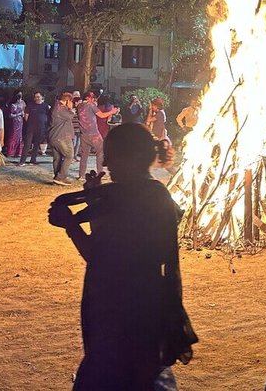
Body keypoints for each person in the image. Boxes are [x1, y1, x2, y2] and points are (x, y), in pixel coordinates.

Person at [48, 123, 197, 389]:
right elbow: (108, 236)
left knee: (113, 372)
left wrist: (71, 225)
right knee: (142, 370)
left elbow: (99, 255)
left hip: (120, 304)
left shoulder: (130, 199)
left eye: (111, 155)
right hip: (148, 301)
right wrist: (96, 201)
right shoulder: (155, 195)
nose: (106, 162)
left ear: (129, 158)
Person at [78, 92, 118, 180]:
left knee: (84, 155)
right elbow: (101, 115)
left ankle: (81, 175)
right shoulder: (90, 105)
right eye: (93, 98)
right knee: (100, 152)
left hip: (84, 133)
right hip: (93, 133)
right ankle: (100, 173)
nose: (94, 100)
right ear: (88, 98)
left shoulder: (80, 106)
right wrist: (112, 111)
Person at [50, 92, 76, 186]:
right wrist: (71, 109)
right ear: (68, 101)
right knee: (69, 156)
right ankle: (61, 178)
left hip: (53, 136)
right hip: (62, 137)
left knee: (57, 158)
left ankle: (57, 178)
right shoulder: (61, 108)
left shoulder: (56, 106)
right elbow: (70, 116)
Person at [19, 92, 50, 166]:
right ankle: (22, 161)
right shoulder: (30, 105)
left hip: (41, 128)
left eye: (38, 96)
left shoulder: (45, 106)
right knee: (27, 144)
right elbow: (26, 116)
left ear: (42, 97)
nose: (37, 98)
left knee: (36, 145)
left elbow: (48, 116)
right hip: (31, 127)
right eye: (36, 97)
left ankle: (33, 160)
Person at [6, 91, 26, 158]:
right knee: (13, 136)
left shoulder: (23, 102)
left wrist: (23, 115)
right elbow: (10, 115)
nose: (20, 96)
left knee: (19, 137)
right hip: (13, 122)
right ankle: (11, 152)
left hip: (20, 122)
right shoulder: (12, 104)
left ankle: (18, 152)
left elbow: (25, 111)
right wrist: (19, 114)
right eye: (19, 94)